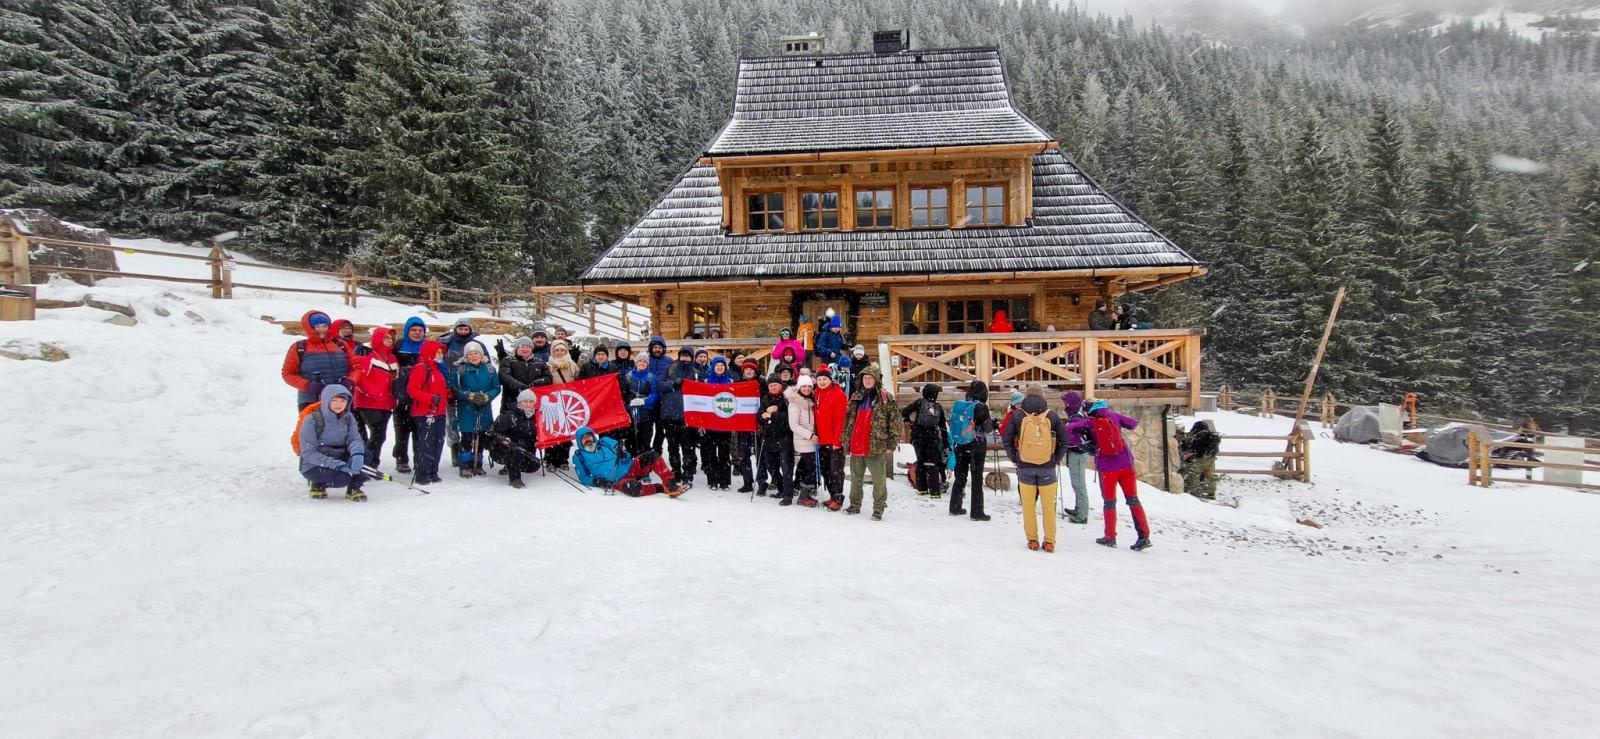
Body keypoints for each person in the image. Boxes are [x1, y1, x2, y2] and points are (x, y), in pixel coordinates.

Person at [1068, 400, 1151, 551]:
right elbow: (1133, 424)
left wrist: (1084, 444)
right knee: (1133, 500)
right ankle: (1144, 535)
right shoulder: (1113, 416)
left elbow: (1069, 430)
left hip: (1107, 468)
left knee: (1109, 502)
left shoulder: (1089, 422)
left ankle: (1110, 536)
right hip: (1126, 464)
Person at [1002, 384, 1068, 552]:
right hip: (1047, 467)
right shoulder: (1051, 416)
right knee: (1048, 507)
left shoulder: (1018, 415)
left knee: (1029, 507)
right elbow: (1063, 440)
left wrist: (1014, 457)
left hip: (1025, 467)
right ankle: (1050, 541)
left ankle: (1032, 540)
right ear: (1043, 396)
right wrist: (1055, 458)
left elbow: (1006, 437)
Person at [842, 365, 900, 520]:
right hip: (857, 443)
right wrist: (845, 439)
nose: (867, 381)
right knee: (856, 478)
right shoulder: (855, 396)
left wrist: (892, 442)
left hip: (876, 444)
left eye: (870, 378)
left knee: (878, 479)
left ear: (876, 380)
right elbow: (848, 420)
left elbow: (894, 421)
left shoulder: (885, 398)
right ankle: (854, 504)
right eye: (865, 378)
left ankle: (879, 508)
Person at [297, 385, 370, 501]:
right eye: (334, 400)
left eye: (342, 401)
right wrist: (337, 465)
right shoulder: (312, 420)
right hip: (315, 463)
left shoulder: (348, 417)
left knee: (366, 455)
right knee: (342, 479)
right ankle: (317, 483)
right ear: (326, 401)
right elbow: (309, 453)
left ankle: (354, 488)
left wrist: (357, 454)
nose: (338, 404)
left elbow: (354, 438)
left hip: (339, 455)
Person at [572, 427, 687, 497]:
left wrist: (623, 454)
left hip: (630, 467)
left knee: (652, 456)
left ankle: (670, 483)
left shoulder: (605, 442)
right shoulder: (579, 456)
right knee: (633, 489)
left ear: (593, 437)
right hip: (617, 480)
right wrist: (597, 481)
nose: (588, 440)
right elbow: (583, 477)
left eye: (589, 436)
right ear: (579, 441)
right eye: (584, 438)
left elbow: (626, 456)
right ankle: (660, 488)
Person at [281, 310, 353, 410]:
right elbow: (288, 374)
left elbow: (356, 367)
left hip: (341, 398)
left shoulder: (340, 345)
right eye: (317, 326)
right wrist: (308, 385)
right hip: (311, 400)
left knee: (342, 425)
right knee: (314, 425)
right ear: (310, 327)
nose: (321, 330)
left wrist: (350, 381)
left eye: (324, 326)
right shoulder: (300, 347)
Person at [350, 326, 399, 469]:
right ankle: (365, 464)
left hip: (386, 403)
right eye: (386, 337)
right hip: (369, 403)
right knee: (376, 435)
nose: (389, 341)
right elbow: (359, 378)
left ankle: (371, 463)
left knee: (380, 436)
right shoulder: (367, 355)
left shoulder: (392, 358)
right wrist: (373, 393)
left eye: (391, 338)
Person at [449, 340, 498, 477]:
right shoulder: (460, 369)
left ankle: (478, 463)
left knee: (481, 436)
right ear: (466, 356)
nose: (473, 356)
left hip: (484, 407)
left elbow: (496, 387)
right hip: (466, 407)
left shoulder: (489, 369)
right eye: (470, 354)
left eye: (476, 353)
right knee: (467, 436)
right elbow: (452, 387)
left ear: (481, 354)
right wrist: (467, 395)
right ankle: (465, 465)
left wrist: (488, 396)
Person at [405, 339, 450, 485]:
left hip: (439, 412)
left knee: (438, 442)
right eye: (437, 352)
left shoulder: (437, 369)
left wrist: (449, 394)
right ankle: (422, 473)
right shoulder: (420, 368)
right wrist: (430, 398)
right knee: (426, 443)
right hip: (424, 412)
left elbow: (440, 389)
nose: (440, 354)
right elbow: (412, 390)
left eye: (441, 352)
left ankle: (432, 471)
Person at [948, 380, 994, 521]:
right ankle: (977, 511)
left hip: (960, 444)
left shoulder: (960, 404)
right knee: (976, 479)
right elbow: (987, 428)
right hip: (976, 446)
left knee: (960, 476)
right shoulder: (981, 407)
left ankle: (955, 506)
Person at [390, 317, 429, 474]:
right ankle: (401, 458)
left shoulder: (426, 346)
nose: (417, 333)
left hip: (421, 393)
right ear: (407, 331)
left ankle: (419, 458)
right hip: (403, 393)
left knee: (420, 429)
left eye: (420, 330)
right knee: (402, 429)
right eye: (414, 330)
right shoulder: (399, 345)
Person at [901, 384, 949, 498]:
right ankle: (935, 491)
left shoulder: (919, 402)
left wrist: (908, 420)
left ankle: (921, 488)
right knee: (933, 464)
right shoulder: (938, 406)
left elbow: (905, 411)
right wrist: (946, 441)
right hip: (932, 437)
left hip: (918, 436)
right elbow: (943, 426)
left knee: (921, 462)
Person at [659, 347, 700, 481]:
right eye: (683, 356)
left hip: (687, 417)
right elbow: (659, 385)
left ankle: (687, 472)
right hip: (670, 415)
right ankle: (675, 471)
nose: (685, 358)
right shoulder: (670, 369)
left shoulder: (696, 372)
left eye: (688, 356)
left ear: (692, 358)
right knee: (672, 447)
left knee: (688, 447)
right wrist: (672, 383)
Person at [490, 389, 543, 488]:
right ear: (520, 402)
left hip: (525, 450)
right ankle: (515, 478)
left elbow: (535, 435)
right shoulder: (509, 415)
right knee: (519, 447)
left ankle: (511, 466)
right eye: (525, 401)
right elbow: (496, 433)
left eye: (531, 401)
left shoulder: (536, 417)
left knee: (534, 466)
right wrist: (503, 439)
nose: (528, 404)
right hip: (504, 449)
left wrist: (537, 441)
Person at [812, 369, 848, 510]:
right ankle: (832, 495)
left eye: (824, 379)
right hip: (822, 439)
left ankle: (838, 497)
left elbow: (841, 419)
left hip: (834, 440)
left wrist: (837, 441)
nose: (822, 382)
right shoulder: (816, 394)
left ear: (830, 380)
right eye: (819, 379)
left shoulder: (838, 394)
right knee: (826, 469)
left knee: (836, 470)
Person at [543, 341, 580, 470]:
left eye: (562, 350)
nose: (559, 352)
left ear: (566, 351)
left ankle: (563, 458)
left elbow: (579, 380)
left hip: (567, 403)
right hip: (553, 403)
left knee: (565, 432)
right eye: (556, 350)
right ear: (553, 352)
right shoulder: (548, 366)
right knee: (552, 431)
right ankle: (550, 459)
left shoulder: (572, 365)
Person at [699, 356, 735, 490]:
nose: (720, 368)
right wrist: (701, 421)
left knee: (724, 454)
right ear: (713, 367)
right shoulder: (706, 381)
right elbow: (702, 401)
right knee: (711, 453)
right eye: (717, 365)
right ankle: (713, 480)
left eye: (722, 365)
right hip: (710, 423)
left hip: (725, 423)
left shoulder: (730, 381)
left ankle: (725, 481)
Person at [758, 373, 794, 502]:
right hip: (769, 437)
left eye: (775, 385)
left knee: (786, 468)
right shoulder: (765, 398)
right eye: (771, 385)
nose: (773, 387)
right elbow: (759, 415)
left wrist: (774, 413)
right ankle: (781, 489)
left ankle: (788, 495)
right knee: (771, 467)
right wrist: (763, 415)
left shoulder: (787, 397)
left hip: (785, 437)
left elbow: (790, 416)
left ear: (781, 385)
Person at [1060, 391, 1093, 524]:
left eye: (1066, 403)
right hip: (1077, 453)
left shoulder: (1076, 419)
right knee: (1077, 482)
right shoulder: (1078, 416)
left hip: (1078, 454)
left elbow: (1075, 439)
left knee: (1079, 483)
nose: (1064, 406)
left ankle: (1082, 514)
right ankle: (1079, 508)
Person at [787, 374, 820, 506]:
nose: (807, 388)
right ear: (799, 387)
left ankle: (800, 487)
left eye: (809, 386)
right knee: (811, 468)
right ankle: (803, 496)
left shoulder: (811, 400)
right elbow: (793, 425)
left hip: (812, 439)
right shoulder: (795, 402)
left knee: (805, 466)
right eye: (804, 386)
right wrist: (810, 435)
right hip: (804, 439)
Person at [498, 337, 551, 417]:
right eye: (522, 346)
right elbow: (505, 377)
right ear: (517, 348)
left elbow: (548, 378)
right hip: (511, 402)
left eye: (528, 347)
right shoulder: (508, 360)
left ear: (532, 349)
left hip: (533, 402)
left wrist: (536, 383)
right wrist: (521, 386)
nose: (525, 349)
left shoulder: (540, 363)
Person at [734, 360, 763, 493]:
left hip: (757, 425)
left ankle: (762, 482)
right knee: (744, 455)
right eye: (746, 369)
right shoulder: (737, 383)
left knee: (759, 456)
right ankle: (747, 481)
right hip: (742, 424)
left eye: (751, 369)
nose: (749, 371)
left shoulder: (762, 383)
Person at [623, 355, 659, 456]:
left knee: (645, 441)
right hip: (631, 413)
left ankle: (644, 465)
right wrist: (629, 401)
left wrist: (645, 400)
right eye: (640, 361)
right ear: (636, 362)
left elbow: (656, 394)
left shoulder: (651, 377)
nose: (642, 363)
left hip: (646, 414)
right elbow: (624, 392)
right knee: (631, 441)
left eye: (644, 361)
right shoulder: (628, 376)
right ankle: (632, 464)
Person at [1176, 419, 1221, 501]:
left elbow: (1192, 446)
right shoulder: (1211, 435)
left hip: (1199, 458)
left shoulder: (1198, 435)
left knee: (1194, 474)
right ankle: (1211, 492)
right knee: (1210, 474)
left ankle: (1194, 490)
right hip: (1211, 458)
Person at [645, 335, 673, 454]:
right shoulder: (645, 360)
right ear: (651, 348)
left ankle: (657, 451)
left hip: (664, 400)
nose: (657, 349)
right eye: (655, 347)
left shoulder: (669, 361)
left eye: (659, 347)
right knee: (647, 429)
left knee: (661, 429)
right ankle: (646, 451)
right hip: (648, 400)